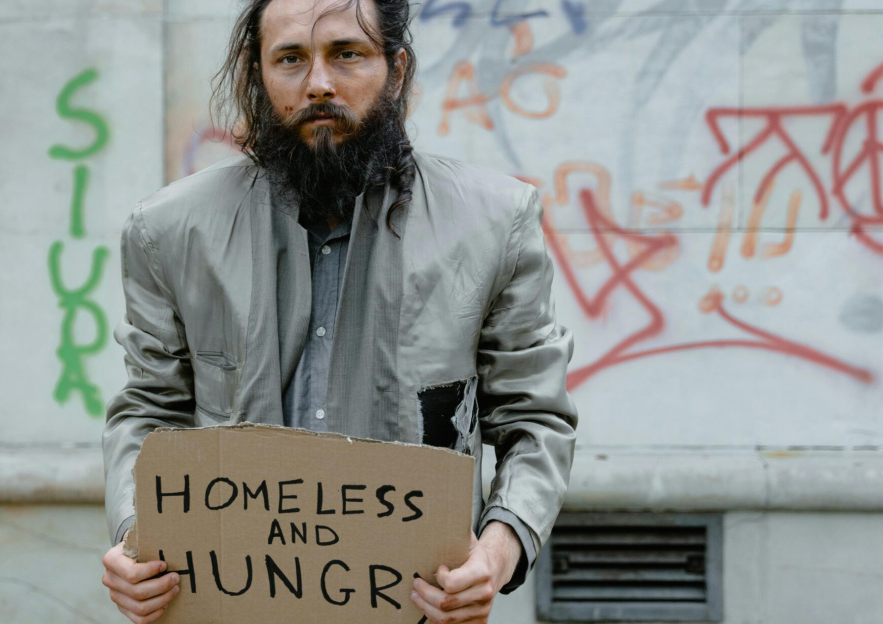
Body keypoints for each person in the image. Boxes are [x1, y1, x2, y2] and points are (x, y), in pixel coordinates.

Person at [100, 0, 578, 622]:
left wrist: (498, 550)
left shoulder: (495, 223)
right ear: (256, 73)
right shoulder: (168, 231)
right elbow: (148, 411)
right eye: (291, 58)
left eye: (347, 54)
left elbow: (534, 419)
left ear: (397, 70)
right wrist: (137, 536)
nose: (319, 83)